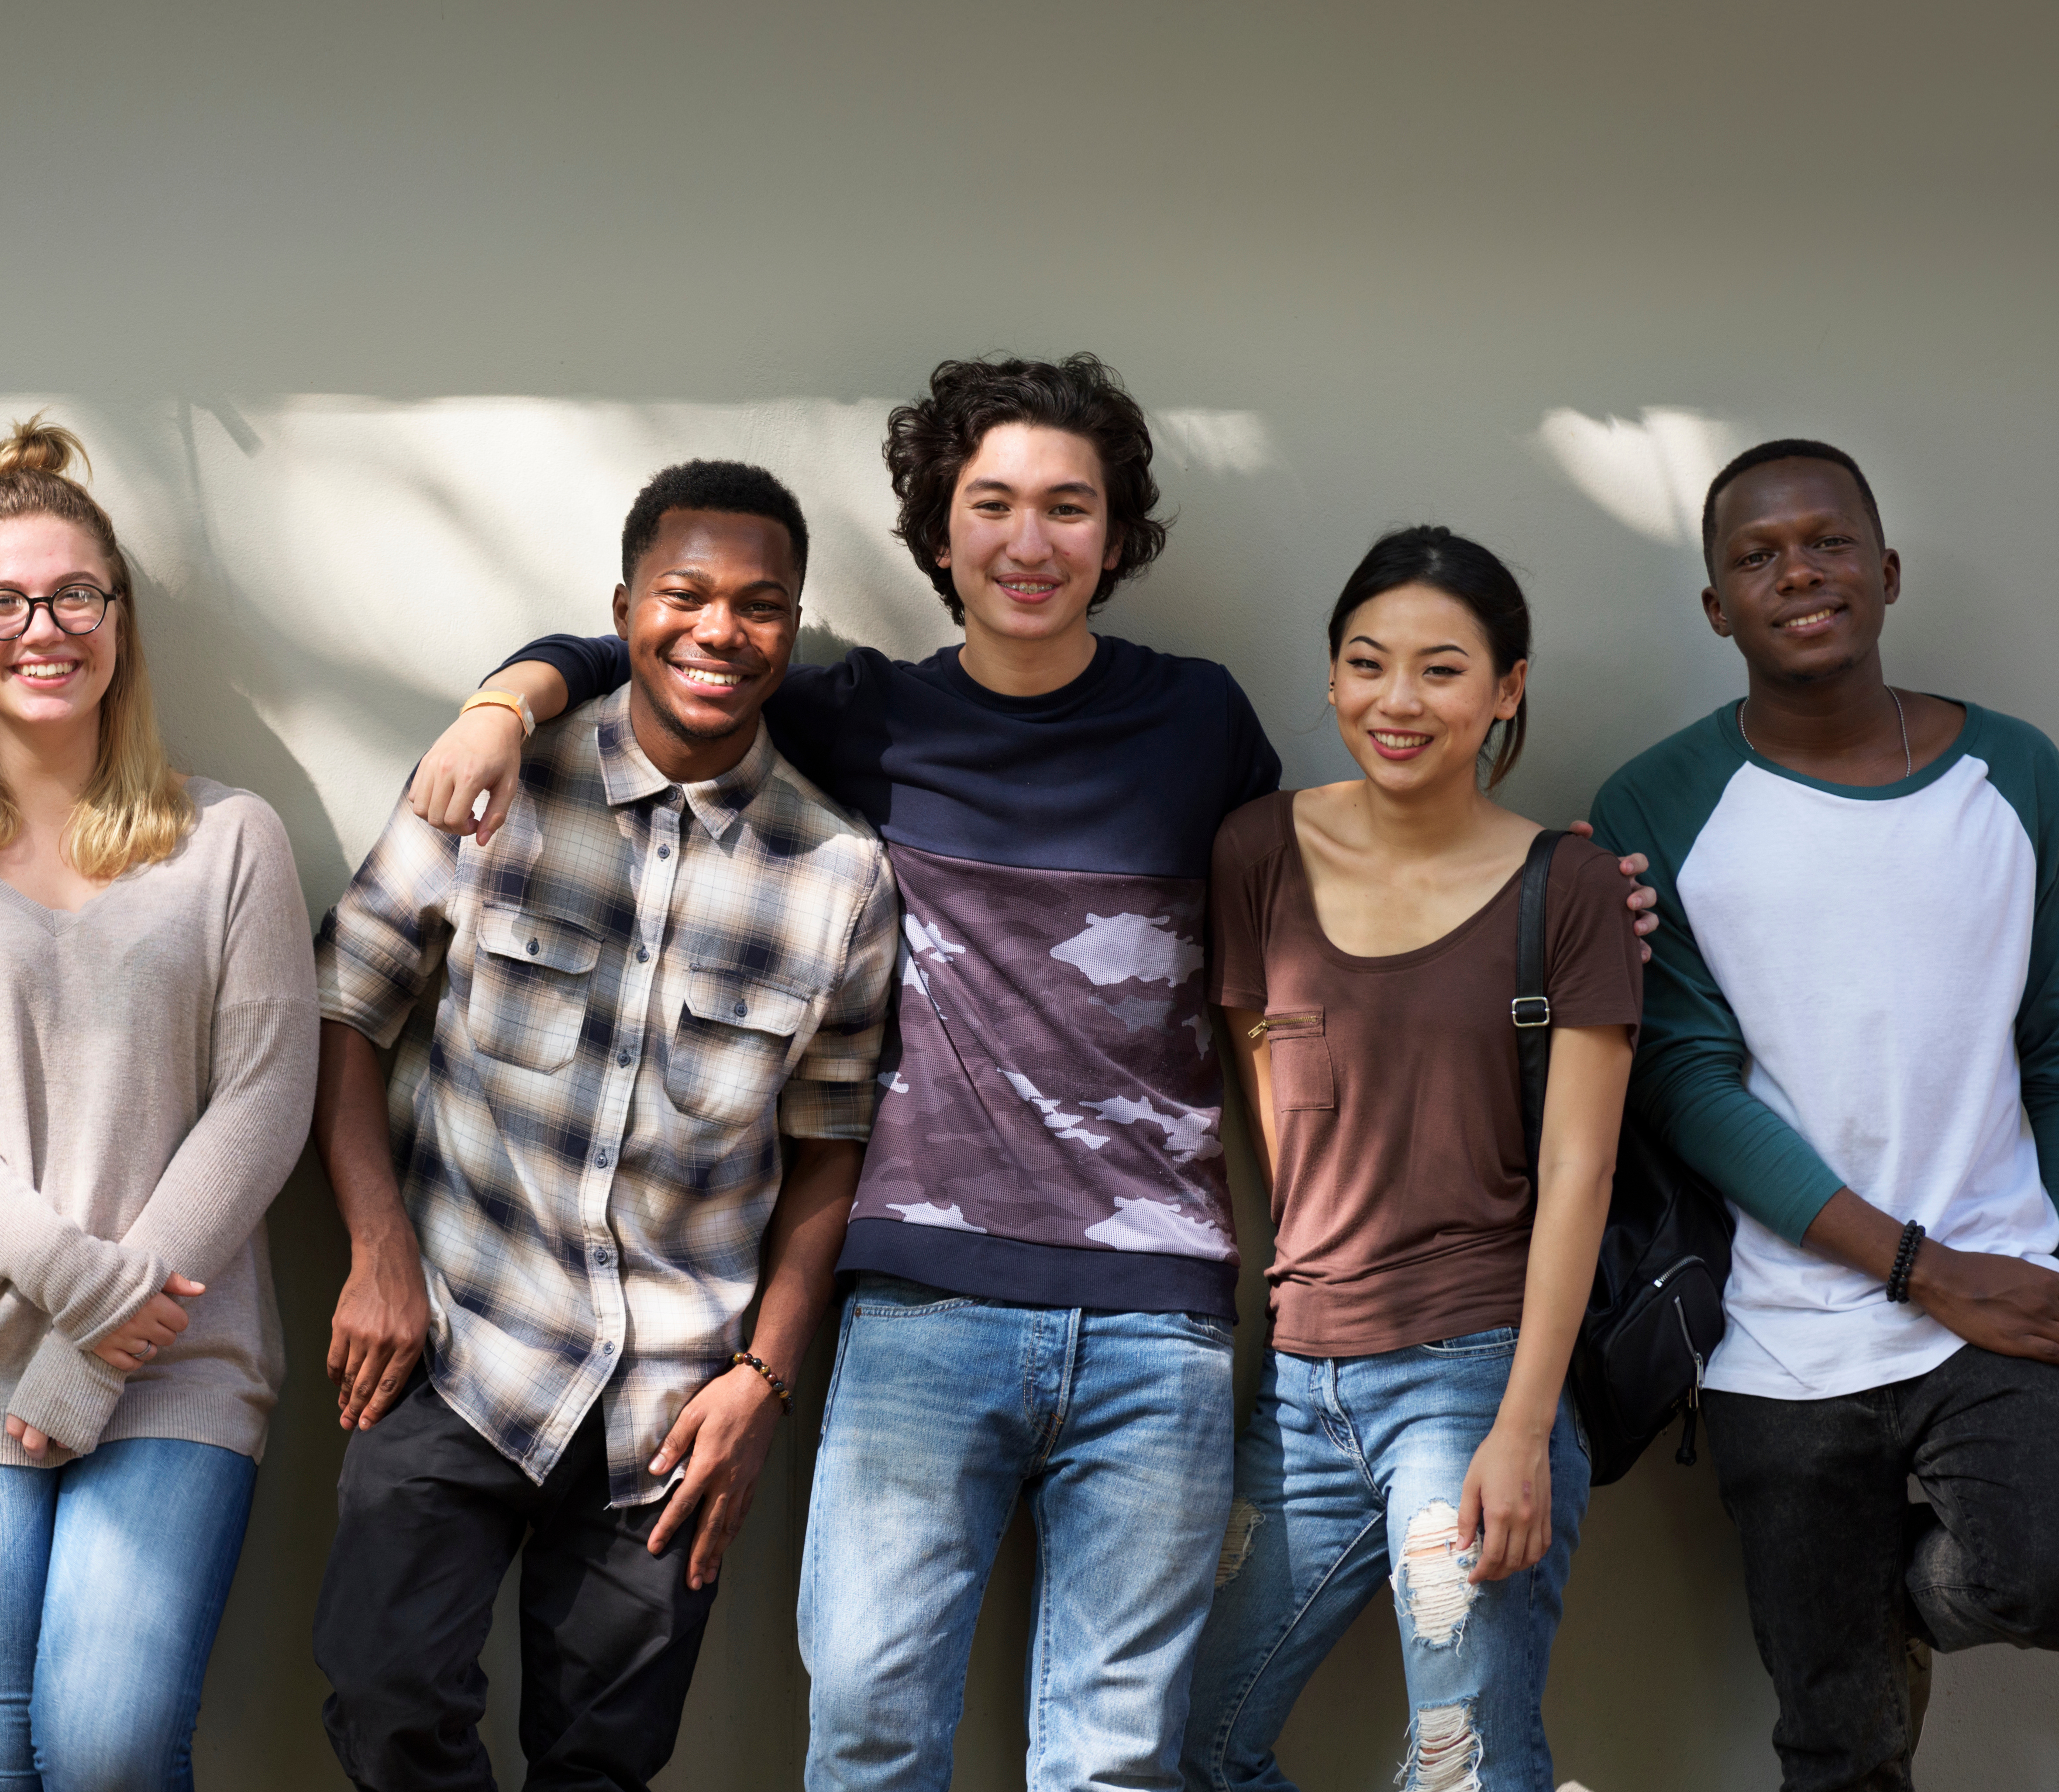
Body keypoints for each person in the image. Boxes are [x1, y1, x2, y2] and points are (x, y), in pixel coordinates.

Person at [402, 355, 1661, 1790]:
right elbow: (680, 649)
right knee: (870, 1726)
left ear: (1117, 539)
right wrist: (509, 697)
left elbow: (1361, 873)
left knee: (1115, 1759)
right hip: (920, 1310)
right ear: (938, 533)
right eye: (990, 504)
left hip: (1160, 1327)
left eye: (1069, 507)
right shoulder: (864, 717)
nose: (1028, 540)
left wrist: (1563, 898)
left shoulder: (1198, 724)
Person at [309, 460, 897, 1791]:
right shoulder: (489, 785)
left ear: (792, 631)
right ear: (623, 604)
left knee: (606, 1767)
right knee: (384, 1702)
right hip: (457, 1345)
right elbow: (346, 1010)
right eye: (685, 594)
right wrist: (375, 1247)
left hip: (675, 1407)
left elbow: (830, 1146)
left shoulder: (840, 876)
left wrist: (767, 1379)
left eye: (760, 606)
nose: (718, 631)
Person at [0, 419, 317, 1792]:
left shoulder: (231, 837)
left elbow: (268, 1097)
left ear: (119, 619)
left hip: (174, 1360)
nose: (42, 628)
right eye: (3, 602)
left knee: (106, 1751)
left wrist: (102, 1345)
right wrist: (72, 1291)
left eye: (74, 595)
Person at [1591, 441, 2059, 1792]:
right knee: (1839, 1745)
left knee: (2037, 1569)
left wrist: (2002, 1270)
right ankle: (1854, 1655)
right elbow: (1684, 1081)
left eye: (1828, 542)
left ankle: (1891, 1619)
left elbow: (2057, 1044)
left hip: (2007, 1286)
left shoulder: (2017, 775)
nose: (1797, 571)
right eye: (1755, 555)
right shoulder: (1660, 800)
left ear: (1887, 571)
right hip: (1783, 1342)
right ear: (1715, 608)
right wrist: (1918, 1268)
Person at [1186, 527, 1637, 1792]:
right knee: (1189, 1747)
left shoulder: (1573, 885)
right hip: (1299, 1383)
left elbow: (1581, 1180)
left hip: (1476, 1375)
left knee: (1463, 1761)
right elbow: (1274, 1113)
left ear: (1507, 691)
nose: (1398, 700)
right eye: (1367, 663)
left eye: (1442, 670)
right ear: (1329, 678)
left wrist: (1523, 1428)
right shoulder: (1256, 854)